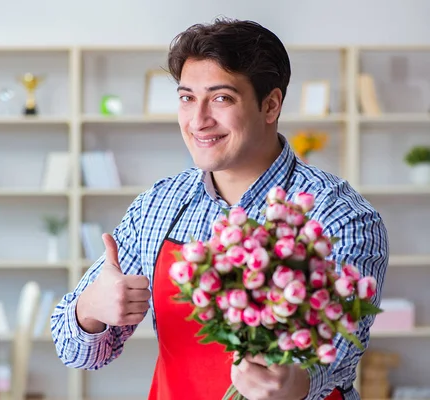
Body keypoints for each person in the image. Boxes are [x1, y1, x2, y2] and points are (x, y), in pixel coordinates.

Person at [50, 17, 388, 400]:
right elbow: (74, 351)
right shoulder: (158, 205)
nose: (198, 120)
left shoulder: (339, 214)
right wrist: (91, 310)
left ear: (270, 104)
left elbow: (339, 350)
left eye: (221, 98)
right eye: (187, 98)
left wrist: (296, 382)